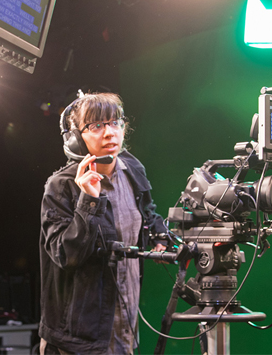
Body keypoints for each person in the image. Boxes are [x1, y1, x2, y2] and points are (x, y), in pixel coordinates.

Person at [39, 92, 168, 354]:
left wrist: (160, 237)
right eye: (96, 126)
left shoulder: (133, 169)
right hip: (77, 342)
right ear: (75, 138)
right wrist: (88, 200)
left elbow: (148, 213)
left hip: (126, 330)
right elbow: (66, 255)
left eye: (114, 123)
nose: (109, 133)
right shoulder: (61, 186)